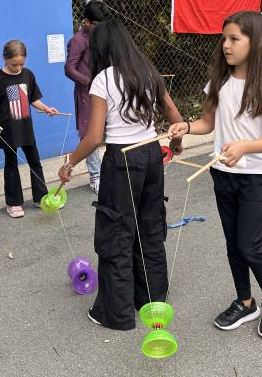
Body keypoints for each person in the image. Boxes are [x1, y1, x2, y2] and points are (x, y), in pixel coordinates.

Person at [58, 18, 183, 331]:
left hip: (122, 159)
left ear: (102, 48)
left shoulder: (103, 79)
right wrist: (176, 144)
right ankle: (152, 300)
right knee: (150, 227)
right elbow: (174, 115)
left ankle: (117, 313)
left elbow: (94, 137)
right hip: (152, 154)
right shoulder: (148, 71)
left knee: (117, 233)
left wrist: (69, 163)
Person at [168, 11, 262, 339]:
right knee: (233, 244)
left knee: (249, 244)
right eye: (224, 39)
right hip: (222, 173)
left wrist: (244, 147)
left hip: (256, 175)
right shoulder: (219, 80)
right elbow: (208, 123)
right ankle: (245, 301)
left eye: (234, 39)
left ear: (255, 42)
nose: (226, 45)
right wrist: (186, 127)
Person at [0, 40, 58, 218]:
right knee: (11, 165)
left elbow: (33, 99)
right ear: (5, 59)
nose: (18, 68)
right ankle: (14, 203)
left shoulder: (28, 75)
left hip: (25, 128)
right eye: (14, 64)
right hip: (7, 130)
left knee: (35, 162)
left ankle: (40, 197)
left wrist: (46, 108)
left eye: (21, 64)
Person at [65, 0, 110, 194]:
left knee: (110, 129)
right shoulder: (78, 40)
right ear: (87, 22)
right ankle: (95, 177)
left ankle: (109, 172)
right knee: (91, 134)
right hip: (87, 94)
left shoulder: (102, 36)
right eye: (97, 24)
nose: (100, 28)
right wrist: (89, 82)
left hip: (107, 89)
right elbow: (69, 68)